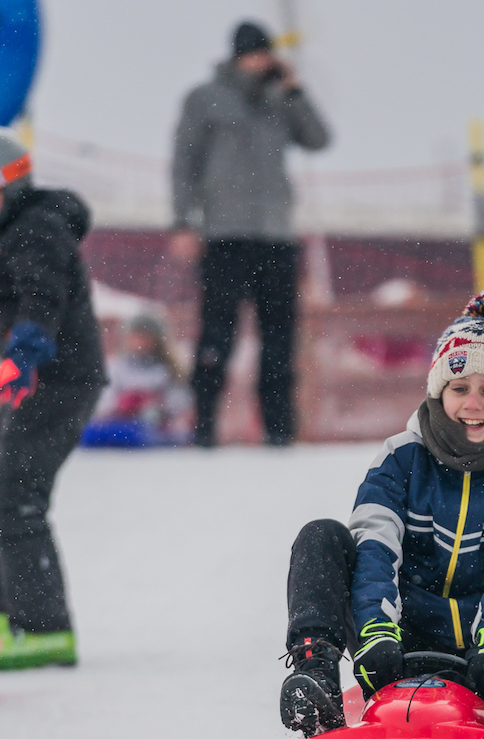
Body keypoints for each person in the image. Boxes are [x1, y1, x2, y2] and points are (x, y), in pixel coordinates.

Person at [279, 289, 484, 739]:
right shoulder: (399, 458)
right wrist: (375, 632)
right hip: (395, 639)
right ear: (439, 391)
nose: (473, 404)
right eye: (460, 389)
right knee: (322, 536)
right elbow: (375, 544)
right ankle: (318, 680)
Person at [0, 126, 104, 671]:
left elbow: (44, 294)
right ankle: (12, 612)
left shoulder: (37, 229)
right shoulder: (17, 230)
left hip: (58, 380)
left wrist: (28, 348)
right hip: (35, 379)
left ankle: (43, 629)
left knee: (13, 495)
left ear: (11, 178)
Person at [170, 20, 331, 447]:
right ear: (240, 56)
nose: (262, 62)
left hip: (276, 237)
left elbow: (319, 139)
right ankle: (203, 429)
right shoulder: (204, 99)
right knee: (216, 337)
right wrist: (183, 221)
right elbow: (184, 163)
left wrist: (295, 90)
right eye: (256, 54)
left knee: (280, 338)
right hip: (224, 235)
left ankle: (280, 432)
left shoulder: (281, 99)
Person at [90, 313, 192, 444]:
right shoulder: (117, 368)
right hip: (118, 425)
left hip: (156, 428)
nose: (139, 341)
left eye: (145, 336)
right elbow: (103, 402)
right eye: (135, 336)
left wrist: (155, 403)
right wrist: (123, 404)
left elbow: (181, 404)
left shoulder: (168, 370)